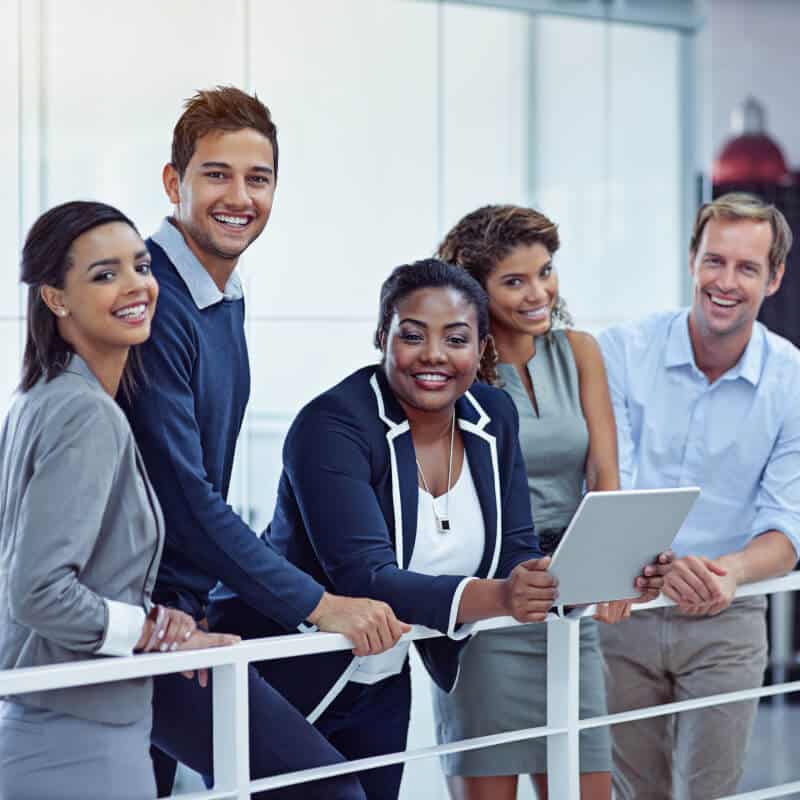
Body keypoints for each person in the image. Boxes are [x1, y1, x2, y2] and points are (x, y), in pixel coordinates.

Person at [120, 87, 406, 799]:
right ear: (172, 182)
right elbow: (184, 499)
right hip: (138, 622)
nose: (239, 196)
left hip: (187, 607)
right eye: (216, 174)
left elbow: (200, 493)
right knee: (325, 791)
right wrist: (318, 604)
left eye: (259, 178)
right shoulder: (156, 302)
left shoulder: (225, 293)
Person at [207, 259, 562, 799]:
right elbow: (363, 576)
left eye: (457, 338)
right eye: (413, 335)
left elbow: (514, 546)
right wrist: (504, 597)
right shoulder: (332, 425)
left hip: (383, 673)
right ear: (382, 336)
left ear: (484, 348)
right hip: (280, 667)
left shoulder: (493, 415)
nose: (435, 355)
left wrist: (562, 580)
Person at [0, 201, 237, 800]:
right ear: (56, 299)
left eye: (141, 266)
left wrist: (158, 617)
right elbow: (37, 590)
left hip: (57, 719)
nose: (136, 286)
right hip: (78, 738)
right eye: (105, 274)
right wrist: (154, 630)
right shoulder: (85, 414)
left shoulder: (41, 399)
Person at [432, 204, 670, 800]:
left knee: (587, 783)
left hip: (570, 604)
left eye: (545, 271)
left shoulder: (580, 351)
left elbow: (603, 473)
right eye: (515, 280)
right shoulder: (456, 369)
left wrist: (617, 568)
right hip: (489, 611)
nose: (539, 292)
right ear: (476, 291)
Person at [598, 192, 800, 799]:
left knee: (712, 792)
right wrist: (662, 564)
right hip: (625, 605)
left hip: (727, 612)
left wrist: (727, 571)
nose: (726, 281)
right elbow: (613, 481)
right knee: (636, 793)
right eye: (715, 261)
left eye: (747, 268)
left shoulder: (792, 381)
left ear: (774, 279)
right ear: (691, 260)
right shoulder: (622, 353)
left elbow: (788, 526)